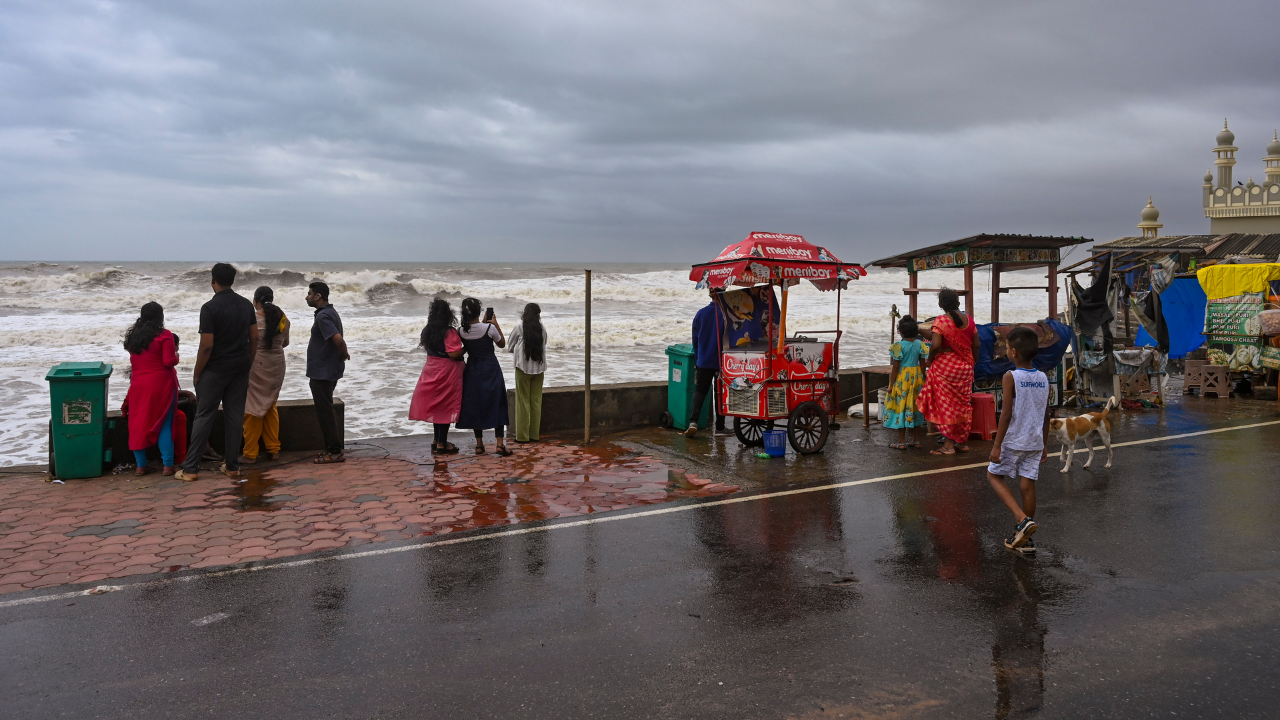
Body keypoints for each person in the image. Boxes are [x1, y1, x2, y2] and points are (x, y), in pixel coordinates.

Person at [175, 264, 257, 482]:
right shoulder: (246, 304)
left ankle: (191, 469)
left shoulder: (210, 308)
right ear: (232, 280)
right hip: (240, 367)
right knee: (234, 416)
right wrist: (248, 361)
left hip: (215, 369)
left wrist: (197, 373)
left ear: (213, 280)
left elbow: (206, 346)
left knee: (204, 415)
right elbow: (254, 337)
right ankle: (232, 466)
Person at [986, 326, 1051, 556]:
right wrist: (1044, 443)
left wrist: (996, 445)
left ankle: (1022, 520)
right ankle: (1026, 539)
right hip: (1034, 440)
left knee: (993, 475)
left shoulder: (1011, 376)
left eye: (1006, 348)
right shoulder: (1043, 377)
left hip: (1014, 439)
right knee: (1027, 486)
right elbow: (1046, 413)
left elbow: (1005, 414)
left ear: (1013, 352)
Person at [918, 288, 980, 455]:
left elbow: (936, 345)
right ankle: (962, 442)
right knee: (962, 405)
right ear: (958, 303)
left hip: (945, 368)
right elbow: (976, 345)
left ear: (940, 305)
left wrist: (930, 358)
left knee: (947, 407)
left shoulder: (941, 321)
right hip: (965, 368)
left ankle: (948, 446)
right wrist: (971, 362)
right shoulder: (969, 321)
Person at [123, 302, 180, 476]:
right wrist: (177, 357)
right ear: (160, 317)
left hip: (139, 385)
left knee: (138, 424)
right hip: (161, 385)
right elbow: (168, 361)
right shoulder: (165, 335)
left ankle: (141, 466)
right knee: (165, 424)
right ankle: (168, 466)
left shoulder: (134, 338)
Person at [455, 297, 512, 456]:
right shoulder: (489, 328)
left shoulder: (461, 330)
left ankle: (479, 444)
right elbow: (501, 344)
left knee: (476, 404)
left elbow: (465, 344)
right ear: (479, 311)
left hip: (472, 369)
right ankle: (500, 444)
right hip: (490, 368)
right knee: (497, 401)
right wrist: (494, 323)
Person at [409, 298, 466, 454]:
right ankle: (442, 443)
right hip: (448, 371)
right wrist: (466, 348)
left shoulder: (427, 331)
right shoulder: (449, 332)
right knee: (445, 407)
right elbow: (453, 353)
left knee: (436, 407)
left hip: (431, 368)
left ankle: (436, 439)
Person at [241, 286, 290, 464]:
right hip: (277, 365)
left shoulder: (252, 319)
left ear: (256, 300)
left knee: (252, 407)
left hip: (256, 365)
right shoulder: (283, 318)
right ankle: (273, 449)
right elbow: (285, 343)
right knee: (270, 405)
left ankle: (250, 453)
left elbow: (247, 342)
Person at [306, 281, 349, 464]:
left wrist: (345, 354)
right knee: (327, 409)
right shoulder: (331, 312)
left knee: (325, 412)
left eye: (309, 293)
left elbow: (338, 340)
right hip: (327, 369)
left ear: (318, 296)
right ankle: (331, 448)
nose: (306, 297)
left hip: (322, 372)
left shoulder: (323, 316)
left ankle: (334, 451)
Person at [683, 289, 727, 437]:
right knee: (720, 393)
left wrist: (699, 356)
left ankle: (693, 422)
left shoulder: (700, 314)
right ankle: (720, 427)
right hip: (722, 361)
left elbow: (695, 339)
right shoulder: (727, 314)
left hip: (704, 360)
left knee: (700, 391)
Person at [884, 315, 930, 450]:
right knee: (915, 407)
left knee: (901, 407)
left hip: (903, 379)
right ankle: (916, 440)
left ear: (901, 332)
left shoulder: (898, 346)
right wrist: (924, 380)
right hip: (916, 379)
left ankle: (901, 441)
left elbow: (895, 367)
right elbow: (923, 365)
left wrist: (891, 385)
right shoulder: (920, 344)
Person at [506, 302, 547, 443]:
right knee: (536, 402)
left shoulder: (519, 328)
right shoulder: (542, 329)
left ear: (525, 314)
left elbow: (510, 346)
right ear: (538, 315)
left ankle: (522, 437)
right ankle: (534, 435)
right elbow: (544, 344)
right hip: (539, 370)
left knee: (523, 402)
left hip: (522, 369)